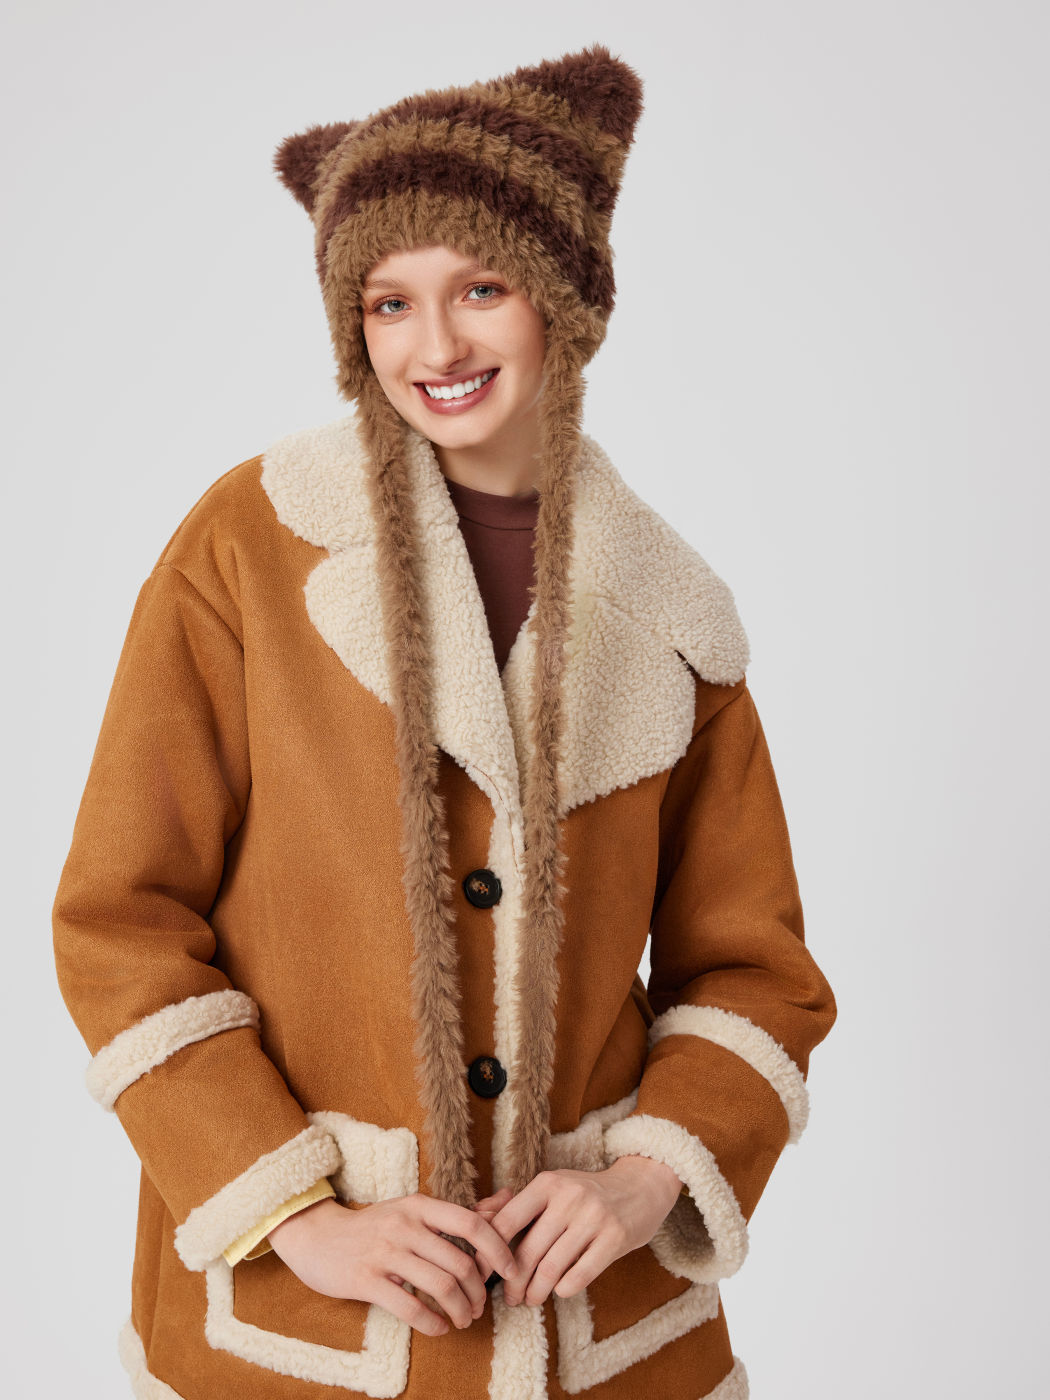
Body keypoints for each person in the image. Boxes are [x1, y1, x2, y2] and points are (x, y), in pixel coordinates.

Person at [52, 43, 837, 1400]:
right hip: (302, 1331)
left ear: (565, 299)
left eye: (480, 288)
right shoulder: (248, 551)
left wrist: (647, 1178)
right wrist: (295, 1211)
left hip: (601, 1335)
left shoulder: (670, 610)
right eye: (388, 302)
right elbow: (121, 920)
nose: (436, 348)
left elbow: (752, 970)